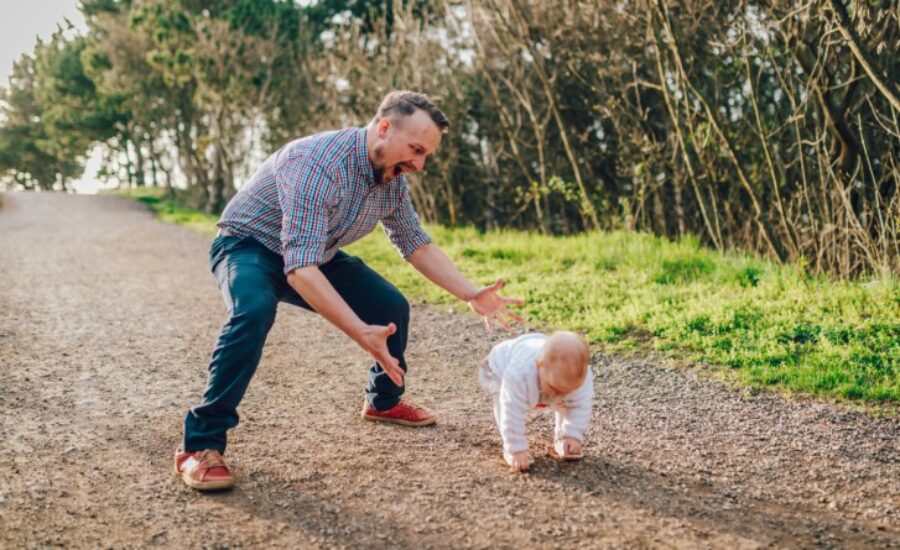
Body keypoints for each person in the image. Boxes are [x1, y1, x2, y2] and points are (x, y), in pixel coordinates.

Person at [174, 91, 525, 491]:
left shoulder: (391, 177)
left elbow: (415, 243)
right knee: (253, 310)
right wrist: (360, 331)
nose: (419, 164)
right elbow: (300, 271)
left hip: (314, 252)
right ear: (384, 127)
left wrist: (470, 294)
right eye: (415, 149)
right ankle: (198, 445)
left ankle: (383, 402)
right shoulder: (314, 163)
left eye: (426, 155)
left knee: (390, 306)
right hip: (248, 246)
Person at [479, 331, 593, 472]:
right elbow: (511, 411)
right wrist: (516, 449)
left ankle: (563, 438)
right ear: (539, 365)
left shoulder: (579, 379)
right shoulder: (519, 375)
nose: (559, 395)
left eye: (567, 390)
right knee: (504, 402)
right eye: (554, 388)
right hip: (499, 368)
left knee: (567, 402)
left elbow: (580, 407)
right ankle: (509, 449)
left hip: (535, 355)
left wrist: (572, 435)